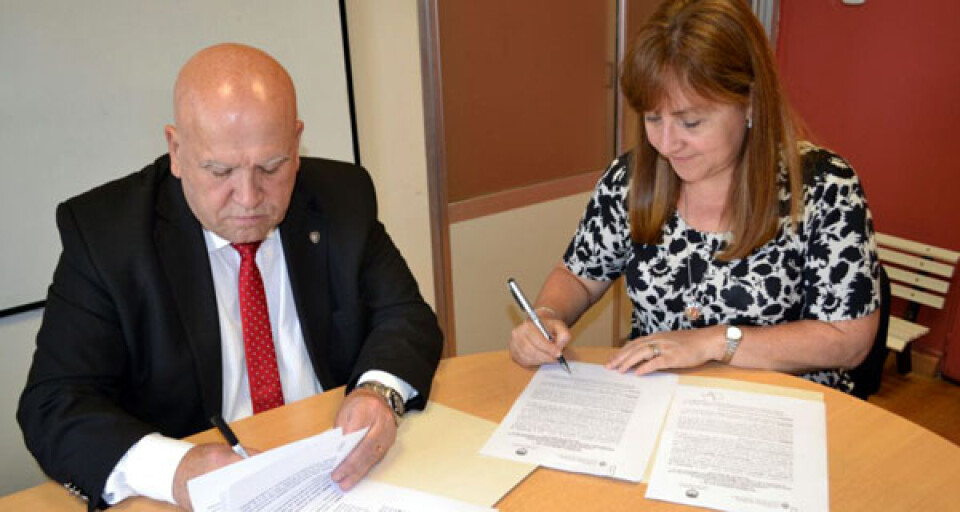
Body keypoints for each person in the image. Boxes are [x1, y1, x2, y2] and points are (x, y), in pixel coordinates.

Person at [17, 43, 443, 510]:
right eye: (220, 171)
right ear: (176, 150)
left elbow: (405, 317)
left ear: (296, 143)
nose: (248, 197)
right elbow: (53, 404)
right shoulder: (107, 234)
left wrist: (378, 392)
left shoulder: (342, 196)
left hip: (337, 478)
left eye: (271, 167)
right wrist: (177, 470)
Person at [509, 0, 879, 394]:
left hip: (781, 406)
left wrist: (715, 342)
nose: (667, 144)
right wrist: (545, 315)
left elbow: (849, 340)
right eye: (653, 118)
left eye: (691, 122)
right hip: (655, 400)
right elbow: (578, 277)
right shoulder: (631, 180)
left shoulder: (824, 187)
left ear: (750, 103)